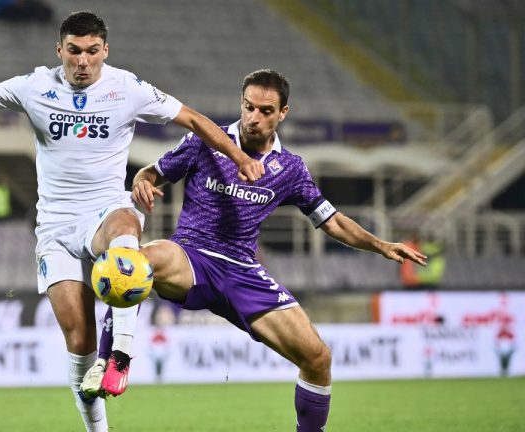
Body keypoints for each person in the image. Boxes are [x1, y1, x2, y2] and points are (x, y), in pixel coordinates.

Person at [0, 11, 264, 432]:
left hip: (106, 210)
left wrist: (239, 159)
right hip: (55, 229)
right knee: (79, 343)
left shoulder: (127, 88)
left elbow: (196, 121)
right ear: (60, 50)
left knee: (127, 229)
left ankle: (122, 352)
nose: (83, 61)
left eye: (92, 52)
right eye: (74, 51)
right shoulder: (35, 86)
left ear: (105, 51)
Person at [83, 69, 427, 432]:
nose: (253, 117)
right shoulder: (206, 140)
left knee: (317, 358)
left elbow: (333, 221)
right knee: (135, 262)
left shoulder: (289, 169)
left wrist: (381, 245)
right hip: (191, 256)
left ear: (283, 114)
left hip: (244, 271)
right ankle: (111, 359)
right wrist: (142, 182)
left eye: (265, 111)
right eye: (248, 107)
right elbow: (152, 173)